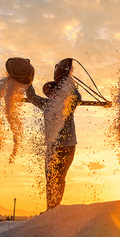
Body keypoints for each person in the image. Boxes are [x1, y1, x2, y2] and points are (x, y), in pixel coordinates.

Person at [26, 58, 82, 210]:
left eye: (55, 89)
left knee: (60, 178)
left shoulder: (67, 104)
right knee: (50, 178)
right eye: (50, 91)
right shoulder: (47, 105)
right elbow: (31, 97)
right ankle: (50, 207)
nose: (52, 92)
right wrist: (27, 81)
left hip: (67, 147)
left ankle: (55, 207)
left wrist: (69, 81)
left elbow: (78, 97)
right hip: (52, 148)